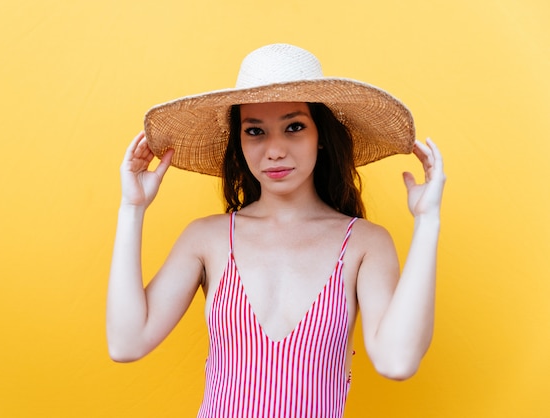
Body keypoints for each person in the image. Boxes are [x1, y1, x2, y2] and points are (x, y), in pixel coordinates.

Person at [106, 43, 445, 417]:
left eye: (294, 127)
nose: (275, 150)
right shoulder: (207, 238)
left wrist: (427, 221)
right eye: (255, 131)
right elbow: (126, 344)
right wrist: (132, 208)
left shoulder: (364, 243)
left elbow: (397, 362)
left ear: (322, 135)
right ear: (240, 141)